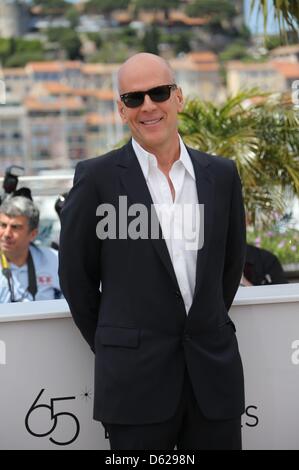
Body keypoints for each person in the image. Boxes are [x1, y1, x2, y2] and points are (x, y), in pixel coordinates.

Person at [59, 53, 246, 450]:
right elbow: (76, 278)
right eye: (133, 98)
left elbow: (229, 268)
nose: (148, 106)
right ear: (121, 110)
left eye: (158, 92)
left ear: (178, 97)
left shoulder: (222, 176)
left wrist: (203, 327)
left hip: (213, 379)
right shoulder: (96, 179)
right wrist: (121, 344)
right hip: (133, 384)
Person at [0, 196, 62, 303]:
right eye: (3, 225)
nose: (6, 234)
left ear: (33, 234)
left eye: (15, 227)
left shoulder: (56, 261)